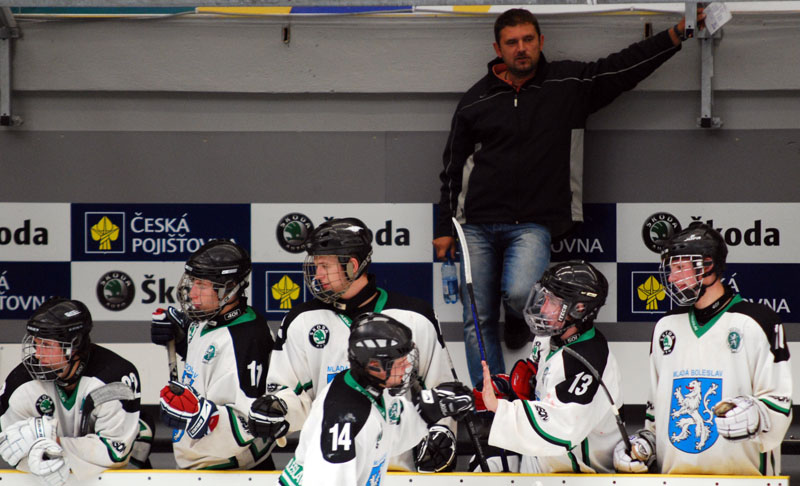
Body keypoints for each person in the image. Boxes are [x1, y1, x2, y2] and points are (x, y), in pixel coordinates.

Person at [434, 8, 705, 388]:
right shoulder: (474, 101)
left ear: (541, 41)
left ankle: (517, 317)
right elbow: (452, 167)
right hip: (475, 224)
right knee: (476, 317)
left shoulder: (569, 83)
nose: (521, 48)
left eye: (528, 40)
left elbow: (622, 69)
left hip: (532, 223)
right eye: (512, 42)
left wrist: (675, 35)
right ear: (498, 49)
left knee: (521, 295)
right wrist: (444, 226)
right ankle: (493, 397)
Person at [249, 218, 460, 473]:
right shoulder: (301, 320)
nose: (317, 275)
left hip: (395, 470)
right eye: (316, 265)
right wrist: (279, 409)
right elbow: (291, 394)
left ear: (352, 266)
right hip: (329, 467)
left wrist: (441, 432)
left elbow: (440, 388)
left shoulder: (414, 316)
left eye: (325, 266)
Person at [613, 223, 792, 475]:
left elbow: (779, 404)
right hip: (675, 479)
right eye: (671, 269)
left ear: (707, 265)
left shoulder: (757, 321)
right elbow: (657, 415)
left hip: (743, 479)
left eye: (679, 268)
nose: (671, 278)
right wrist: (645, 444)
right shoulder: (666, 326)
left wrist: (757, 415)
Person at [277, 313, 474, 486]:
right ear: (374, 365)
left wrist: (429, 410)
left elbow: (386, 435)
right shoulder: (343, 421)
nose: (407, 366)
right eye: (400, 362)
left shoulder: (368, 387)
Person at [479, 261, 624, 473]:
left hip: (579, 476)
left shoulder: (589, 361)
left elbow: (562, 429)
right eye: (545, 298)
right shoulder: (548, 338)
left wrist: (500, 408)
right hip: (546, 462)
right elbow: (538, 383)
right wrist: (507, 387)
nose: (543, 308)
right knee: (483, 462)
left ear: (578, 309)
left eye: (553, 302)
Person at [151, 239, 275, 470]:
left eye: (201, 285)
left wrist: (201, 417)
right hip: (201, 461)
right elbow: (210, 363)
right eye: (192, 282)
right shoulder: (206, 319)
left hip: (233, 470)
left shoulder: (249, 338)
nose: (192, 293)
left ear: (229, 288)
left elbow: (251, 422)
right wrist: (180, 339)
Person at [0, 298, 142, 485]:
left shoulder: (114, 380)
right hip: (44, 480)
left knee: (144, 430)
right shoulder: (20, 384)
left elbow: (115, 452)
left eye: (47, 345)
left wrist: (54, 444)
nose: (38, 354)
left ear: (74, 345)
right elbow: (11, 449)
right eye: (36, 343)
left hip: (109, 479)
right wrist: (39, 462)